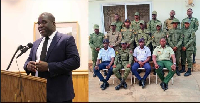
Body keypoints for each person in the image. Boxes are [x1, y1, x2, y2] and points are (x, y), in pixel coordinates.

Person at [23, 12, 80, 102]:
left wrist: (49, 67)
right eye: (39, 23)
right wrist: (28, 66)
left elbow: (75, 61)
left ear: (53, 23)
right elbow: (28, 60)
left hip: (59, 95)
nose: (40, 26)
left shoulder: (66, 39)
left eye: (44, 22)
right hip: (37, 92)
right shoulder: (36, 43)